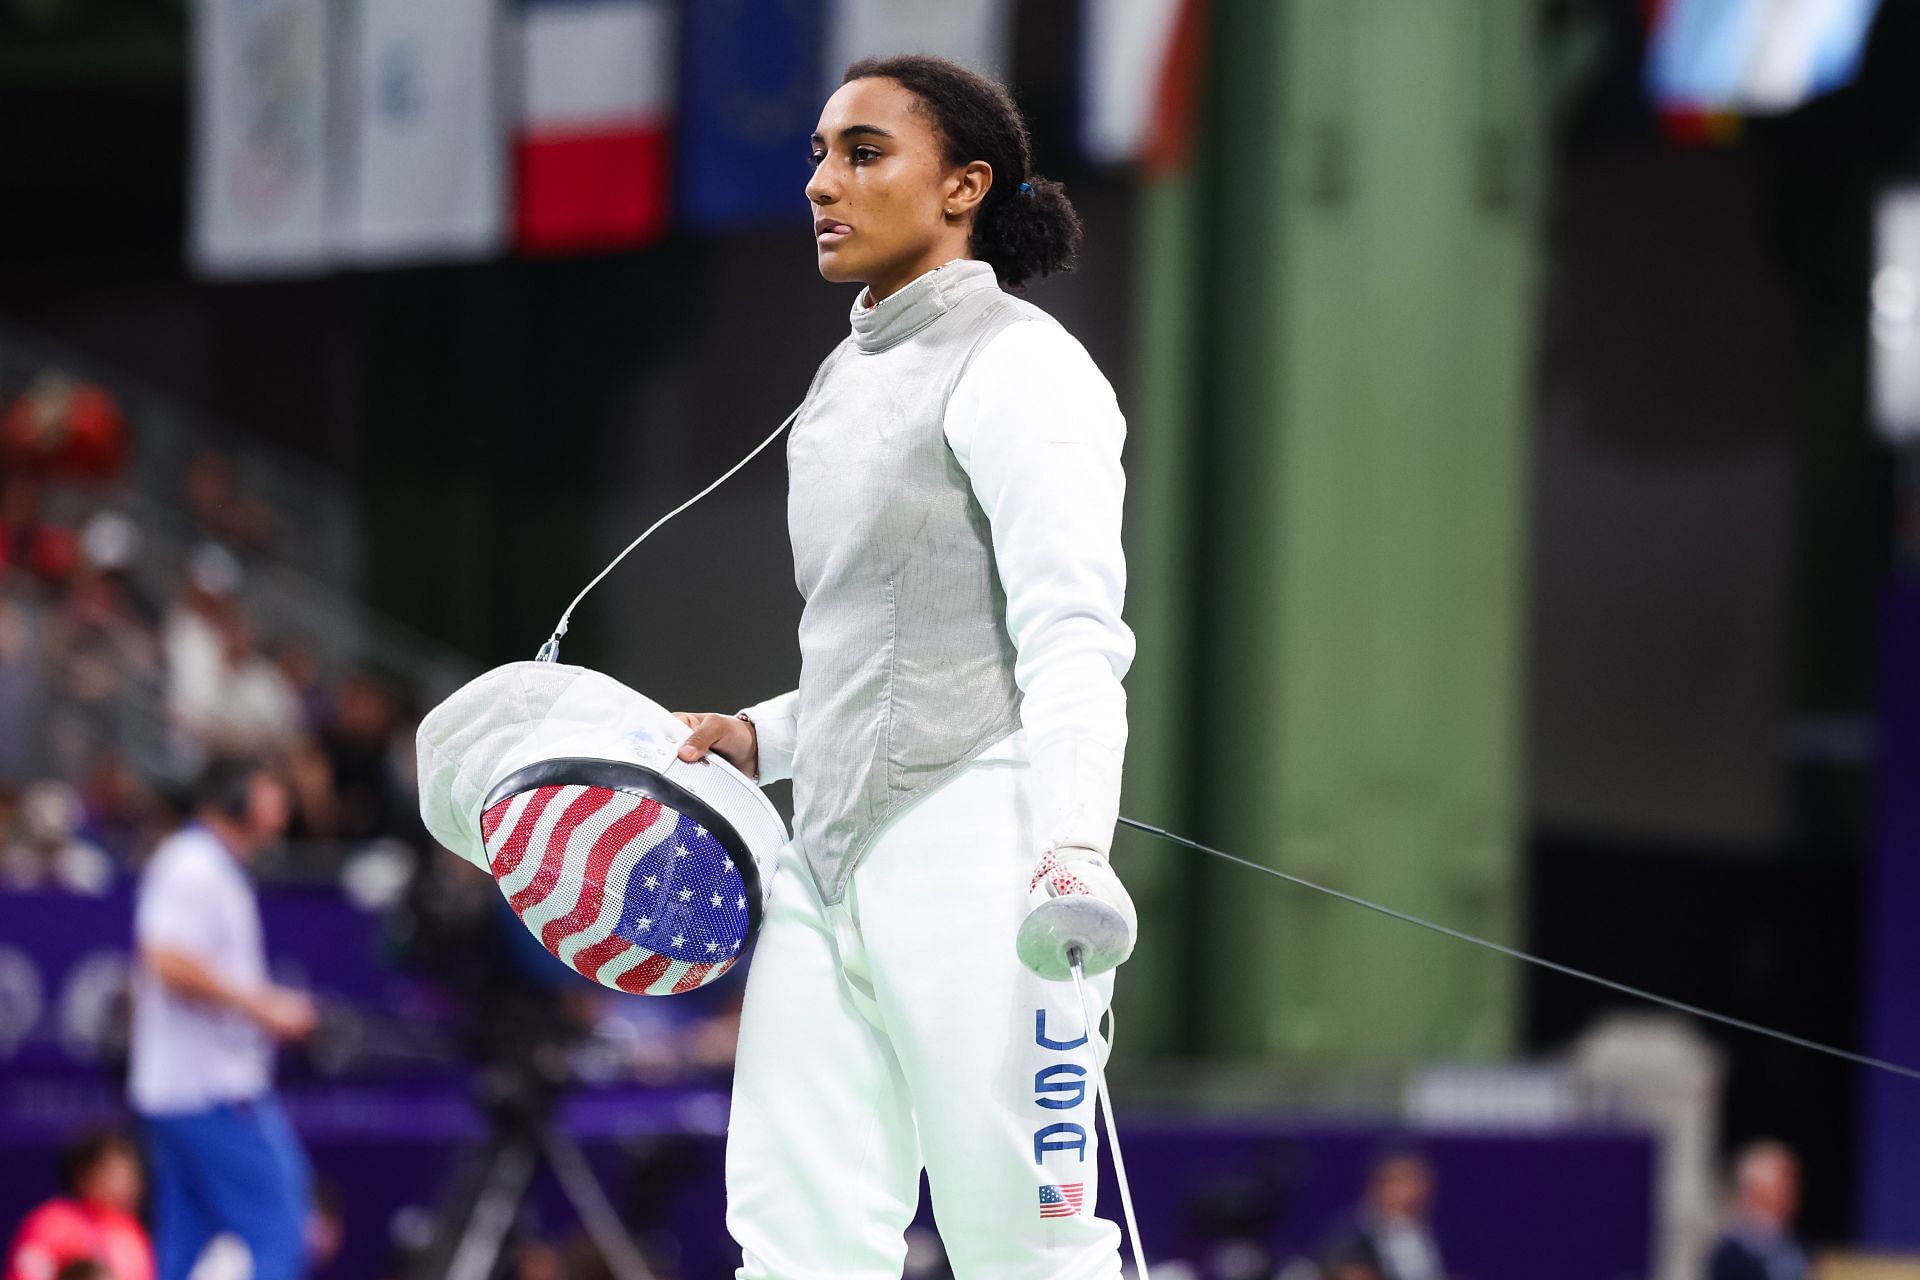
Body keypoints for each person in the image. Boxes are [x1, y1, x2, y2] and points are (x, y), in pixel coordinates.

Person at [671, 53, 1137, 1279]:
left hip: (981, 840)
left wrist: (1073, 849)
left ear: (962, 186)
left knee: (1026, 1242)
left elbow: (1074, 631)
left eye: (865, 152)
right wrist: (764, 736)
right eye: (819, 154)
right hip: (822, 854)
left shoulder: (1023, 364)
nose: (824, 181)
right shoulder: (839, 383)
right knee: (790, 1235)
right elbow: (884, 632)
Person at [129, 757, 317, 1280]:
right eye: (271, 789)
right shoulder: (193, 865)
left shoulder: (211, 866)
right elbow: (166, 960)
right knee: (280, 1226)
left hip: (182, 1088)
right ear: (234, 796)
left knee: (186, 1246)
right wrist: (264, 1006)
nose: (283, 805)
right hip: (209, 1089)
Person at [2, 1129, 155, 1280]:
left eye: (131, 1173)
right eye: (116, 1172)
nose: (128, 1183)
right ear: (84, 1174)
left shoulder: (131, 1230)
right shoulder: (52, 1224)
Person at [1314, 1148, 1448, 1280]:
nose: (1413, 1193)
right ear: (1377, 1186)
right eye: (1400, 1181)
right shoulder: (1347, 1237)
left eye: (1420, 1181)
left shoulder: (1421, 1232)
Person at [1705, 1140, 1808, 1280]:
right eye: (1784, 1177)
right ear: (1757, 1187)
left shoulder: (1794, 1246)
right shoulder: (1731, 1253)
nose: (1793, 1186)